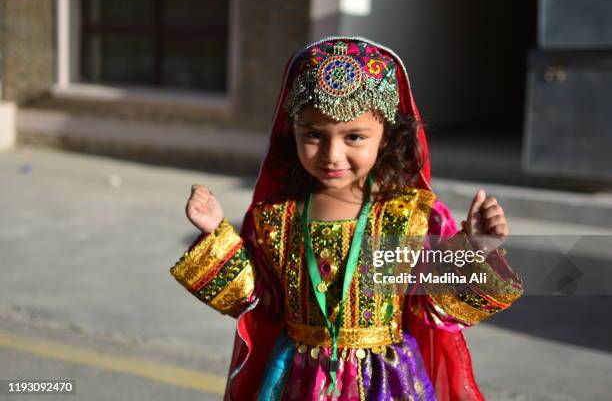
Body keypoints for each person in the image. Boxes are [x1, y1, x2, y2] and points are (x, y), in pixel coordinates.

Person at [170, 37, 523, 400]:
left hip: (387, 384)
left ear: (386, 136)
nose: (332, 154)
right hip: (297, 381)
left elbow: (434, 307)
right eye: (314, 136)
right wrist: (216, 232)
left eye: (354, 137)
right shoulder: (277, 216)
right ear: (291, 131)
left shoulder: (413, 216)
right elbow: (261, 302)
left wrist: (474, 250)